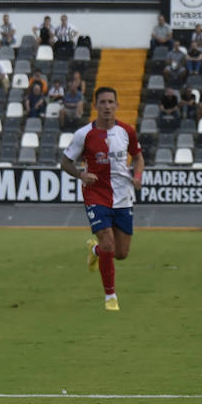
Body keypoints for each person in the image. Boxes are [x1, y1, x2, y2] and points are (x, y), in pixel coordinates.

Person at [59, 87, 144, 312]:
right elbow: (65, 162)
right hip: (96, 194)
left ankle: (95, 251)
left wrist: (137, 175)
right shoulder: (84, 134)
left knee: (121, 253)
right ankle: (110, 297)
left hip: (123, 195)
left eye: (111, 102)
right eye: (103, 102)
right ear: (96, 105)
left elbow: (138, 157)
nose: (107, 106)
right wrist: (81, 174)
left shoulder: (127, 131)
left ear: (116, 105)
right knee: (108, 242)